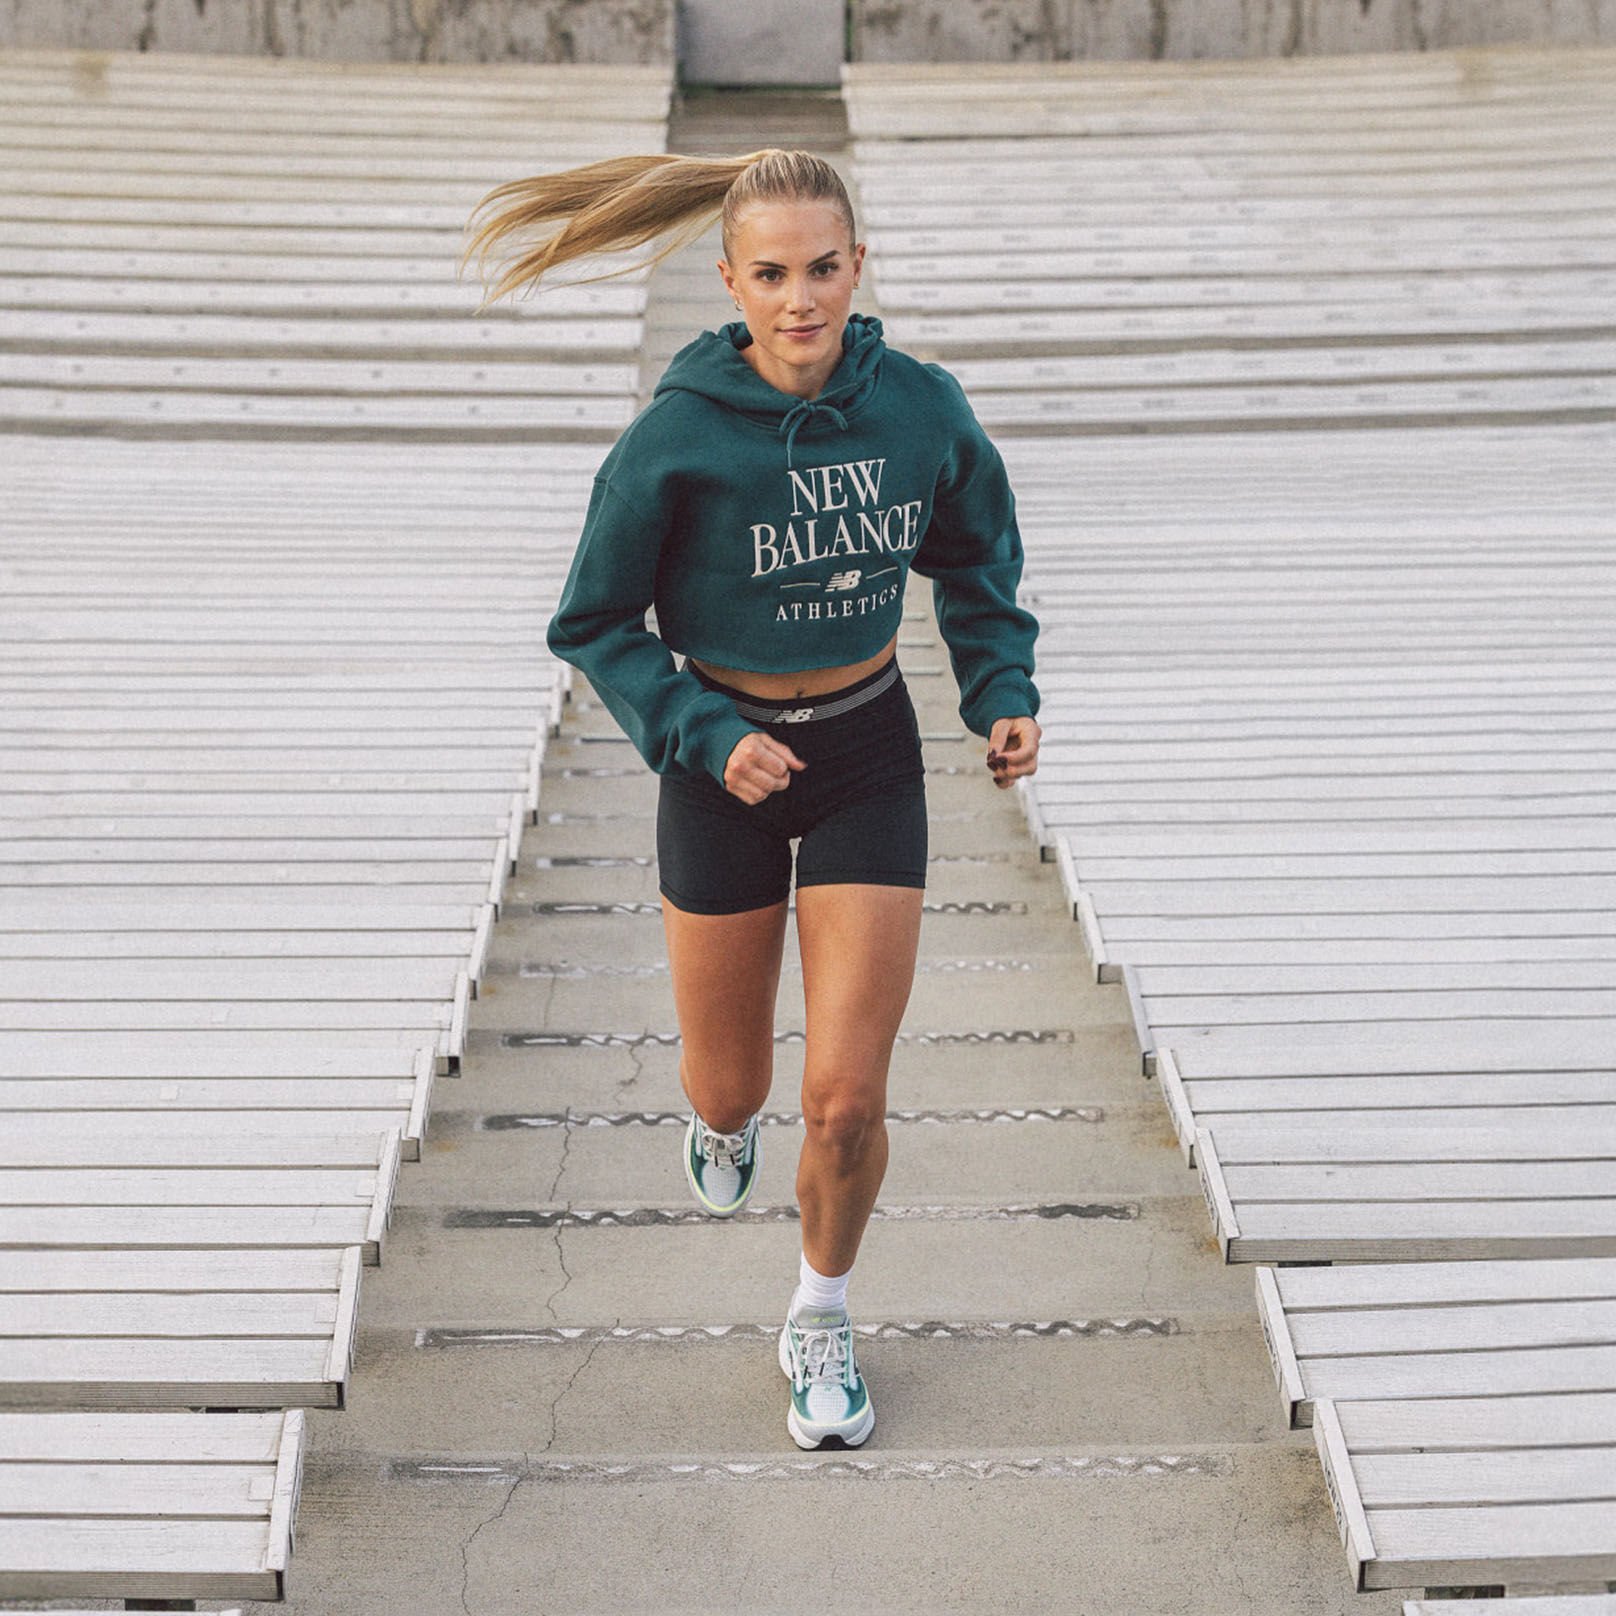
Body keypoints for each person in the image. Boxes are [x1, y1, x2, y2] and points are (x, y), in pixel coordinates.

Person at [460, 148, 1041, 1450]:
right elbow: (594, 620)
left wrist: (1000, 686)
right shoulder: (673, 442)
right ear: (728, 281)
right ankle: (718, 1128)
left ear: (858, 267)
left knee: (844, 1097)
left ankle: (821, 1314)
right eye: (771, 274)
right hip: (717, 775)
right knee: (730, 1087)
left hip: (865, 758)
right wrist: (701, 731)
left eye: (823, 268)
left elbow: (976, 558)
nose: (801, 299)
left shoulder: (920, 410)